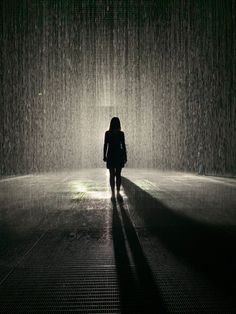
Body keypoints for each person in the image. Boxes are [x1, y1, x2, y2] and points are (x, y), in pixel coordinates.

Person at [103, 117, 127, 199]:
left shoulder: (107, 133)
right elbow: (123, 146)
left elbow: (105, 145)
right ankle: (118, 192)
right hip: (119, 155)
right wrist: (125, 156)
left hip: (110, 155)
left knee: (112, 175)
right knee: (118, 175)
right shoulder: (121, 133)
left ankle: (113, 193)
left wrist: (104, 155)